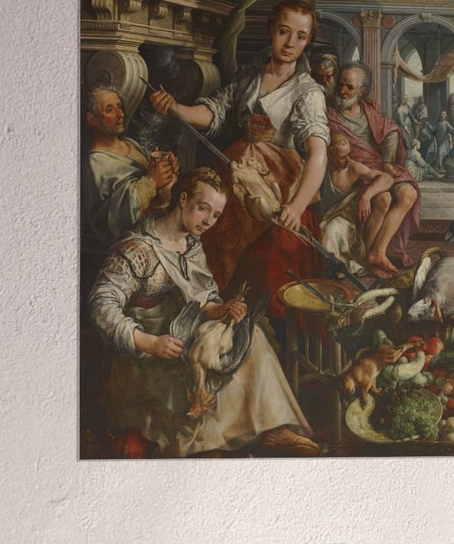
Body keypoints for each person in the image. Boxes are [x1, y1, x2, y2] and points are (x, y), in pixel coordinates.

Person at [88, 167, 320, 456]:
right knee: (204, 364)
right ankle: (207, 445)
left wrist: (220, 308)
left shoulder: (191, 244)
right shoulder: (138, 248)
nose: (208, 221)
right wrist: (149, 342)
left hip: (184, 331)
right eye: (203, 209)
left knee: (250, 336)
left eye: (215, 215)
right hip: (147, 350)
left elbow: (202, 297)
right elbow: (101, 306)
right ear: (182, 199)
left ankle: (274, 428)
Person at [148, 0, 328, 294]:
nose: (290, 43)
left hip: (280, 185)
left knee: (270, 261)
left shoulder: (308, 92)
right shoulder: (248, 76)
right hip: (236, 172)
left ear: (308, 41)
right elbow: (214, 112)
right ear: (272, 30)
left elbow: (318, 153)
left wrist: (295, 208)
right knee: (212, 238)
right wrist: (175, 108)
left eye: (301, 36)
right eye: (284, 31)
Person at [326, 63, 421, 275]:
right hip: (353, 174)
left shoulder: (368, 110)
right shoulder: (330, 115)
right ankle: (367, 255)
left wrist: (387, 161)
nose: (343, 91)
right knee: (383, 199)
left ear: (361, 91)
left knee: (408, 193)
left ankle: (377, 252)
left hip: (377, 167)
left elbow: (391, 130)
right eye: (341, 85)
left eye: (349, 87)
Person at [81, 84, 177, 271]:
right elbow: (109, 222)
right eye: (110, 109)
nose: (120, 114)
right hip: (126, 255)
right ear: (91, 119)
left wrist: (167, 172)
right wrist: (151, 181)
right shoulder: (94, 163)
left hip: (158, 234)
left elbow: (156, 195)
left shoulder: (131, 144)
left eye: (119, 106)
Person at [317, 132, 396, 274]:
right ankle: (330, 270)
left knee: (332, 229)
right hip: (324, 218)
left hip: (348, 224)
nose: (348, 160)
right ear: (330, 155)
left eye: (349, 155)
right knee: (327, 229)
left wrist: (366, 196)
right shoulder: (322, 168)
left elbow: (388, 178)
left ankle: (336, 270)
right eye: (342, 157)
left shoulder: (353, 169)